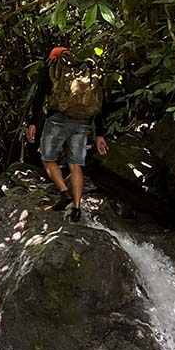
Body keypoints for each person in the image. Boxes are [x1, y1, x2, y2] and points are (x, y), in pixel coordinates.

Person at [26, 47, 110, 221]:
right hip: (82, 121)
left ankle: (65, 193)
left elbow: (39, 97)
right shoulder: (84, 73)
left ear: (53, 58)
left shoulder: (50, 70)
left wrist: (33, 122)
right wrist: (99, 134)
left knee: (48, 158)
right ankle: (77, 208)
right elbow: (98, 103)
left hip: (57, 119)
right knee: (76, 164)